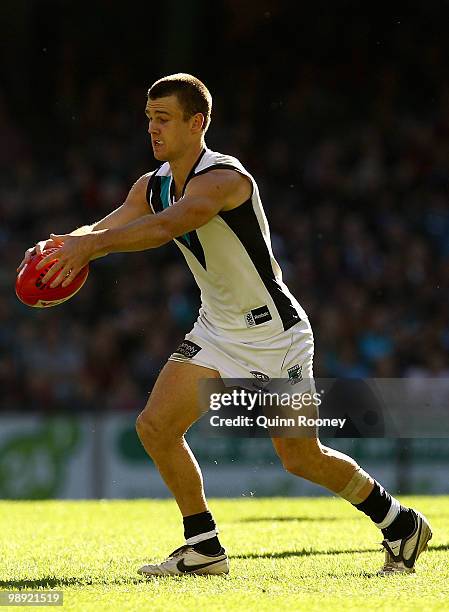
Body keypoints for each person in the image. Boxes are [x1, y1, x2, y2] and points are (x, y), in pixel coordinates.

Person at [18, 73, 432, 576]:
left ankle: (401, 523)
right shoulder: (153, 185)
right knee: (154, 427)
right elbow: (113, 221)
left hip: (274, 335)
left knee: (301, 458)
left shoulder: (224, 179)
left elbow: (169, 226)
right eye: (149, 117)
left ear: (198, 122)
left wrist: (91, 248)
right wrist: (66, 243)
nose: (152, 128)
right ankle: (204, 546)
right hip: (217, 331)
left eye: (164, 118)